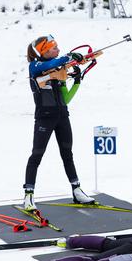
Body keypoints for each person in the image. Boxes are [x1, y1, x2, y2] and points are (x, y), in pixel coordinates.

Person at [22, 35, 95, 212]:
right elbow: (48, 65)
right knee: (37, 155)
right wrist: (69, 58)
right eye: (54, 48)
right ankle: (28, 195)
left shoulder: (58, 71)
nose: (58, 50)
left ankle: (76, 190)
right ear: (44, 51)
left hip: (62, 116)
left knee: (67, 154)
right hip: (44, 118)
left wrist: (76, 79)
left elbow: (66, 98)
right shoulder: (36, 66)